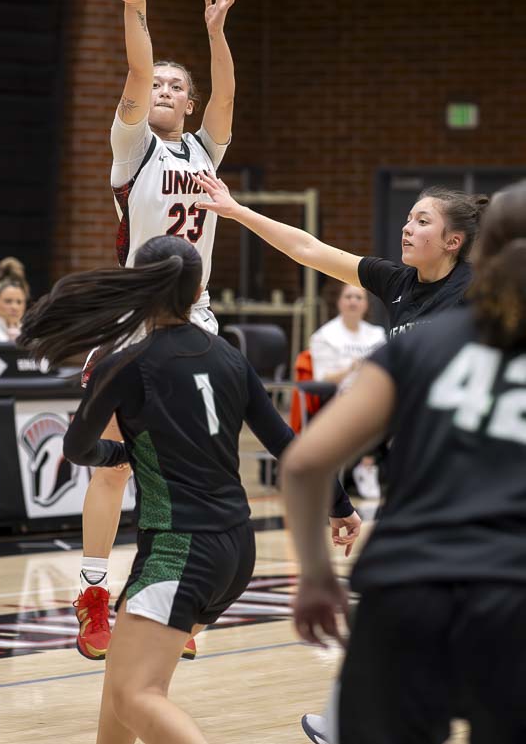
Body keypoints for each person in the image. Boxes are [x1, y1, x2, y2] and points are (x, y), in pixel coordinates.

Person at [19, 235, 361, 744]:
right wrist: (340, 506)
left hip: (178, 551)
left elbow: (76, 448)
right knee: (122, 692)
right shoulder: (230, 358)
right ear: (199, 287)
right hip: (235, 550)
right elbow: (290, 446)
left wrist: (122, 454)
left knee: (137, 696)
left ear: (140, 283)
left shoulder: (125, 363)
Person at [194, 173, 488, 743]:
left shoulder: (479, 293)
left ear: (454, 241)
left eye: (423, 220)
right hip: (421, 473)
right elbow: (311, 250)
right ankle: (353, 718)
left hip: (466, 473)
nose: (407, 226)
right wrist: (236, 212)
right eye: (408, 216)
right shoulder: (397, 283)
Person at [282, 179, 526, 744]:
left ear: (474, 250)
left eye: (423, 221)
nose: (408, 230)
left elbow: (303, 464)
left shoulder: (423, 344)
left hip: (409, 580)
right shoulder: (411, 298)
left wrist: (316, 576)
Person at [73, 0, 238, 661]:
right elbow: (138, 68)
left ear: (190, 102)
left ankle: (172, 598)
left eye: (177, 86)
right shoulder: (132, 147)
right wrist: (137, 12)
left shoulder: (207, 149)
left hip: (195, 324)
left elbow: (227, 95)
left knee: (189, 473)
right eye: (159, 86)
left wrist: (216, 33)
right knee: (113, 469)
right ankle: (91, 596)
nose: (164, 91)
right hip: (135, 325)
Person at [309, 283, 386, 498]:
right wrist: (351, 368)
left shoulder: (377, 335)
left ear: (365, 305)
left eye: (358, 297)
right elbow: (321, 378)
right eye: (348, 296)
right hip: (337, 396)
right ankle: (367, 465)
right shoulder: (324, 336)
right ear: (340, 302)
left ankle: (369, 464)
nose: (353, 301)